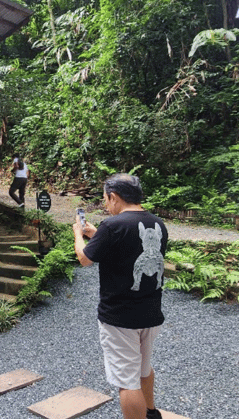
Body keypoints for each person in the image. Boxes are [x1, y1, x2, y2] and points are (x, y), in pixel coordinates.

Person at [72, 174, 167, 419]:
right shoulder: (158, 224)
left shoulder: (112, 226)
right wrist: (97, 234)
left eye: (105, 199)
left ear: (114, 197)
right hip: (150, 312)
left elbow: (84, 259)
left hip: (120, 316)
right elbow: (128, 248)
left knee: (127, 380)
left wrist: (78, 235)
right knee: (144, 369)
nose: (105, 205)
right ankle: (151, 413)